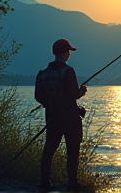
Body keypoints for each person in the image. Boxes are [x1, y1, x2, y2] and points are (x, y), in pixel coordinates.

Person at [35, 38, 87, 192]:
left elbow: (38, 96)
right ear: (64, 53)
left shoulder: (42, 74)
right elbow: (74, 94)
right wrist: (82, 90)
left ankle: (45, 181)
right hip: (70, 118)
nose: (69, 55)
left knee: (49, 148)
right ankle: (72, 184)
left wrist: (51, 105)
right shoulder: (67, 71)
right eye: (68, 52)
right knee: (72, 150)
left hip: (52, 117)